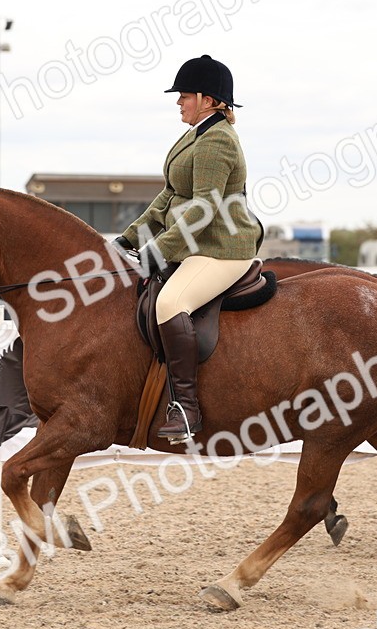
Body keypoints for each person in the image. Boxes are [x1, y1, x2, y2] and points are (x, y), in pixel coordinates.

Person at [113, 54, 264, 443]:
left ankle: (186, 408)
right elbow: (169, 196)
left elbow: (203, 208)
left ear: (207, 99)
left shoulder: (218, 140)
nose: (178, 102)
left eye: (184, 95)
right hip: (196, 247)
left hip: (222, 249)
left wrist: (158, 250)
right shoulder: (195, 135)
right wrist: (130, 238)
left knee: (169, 303)